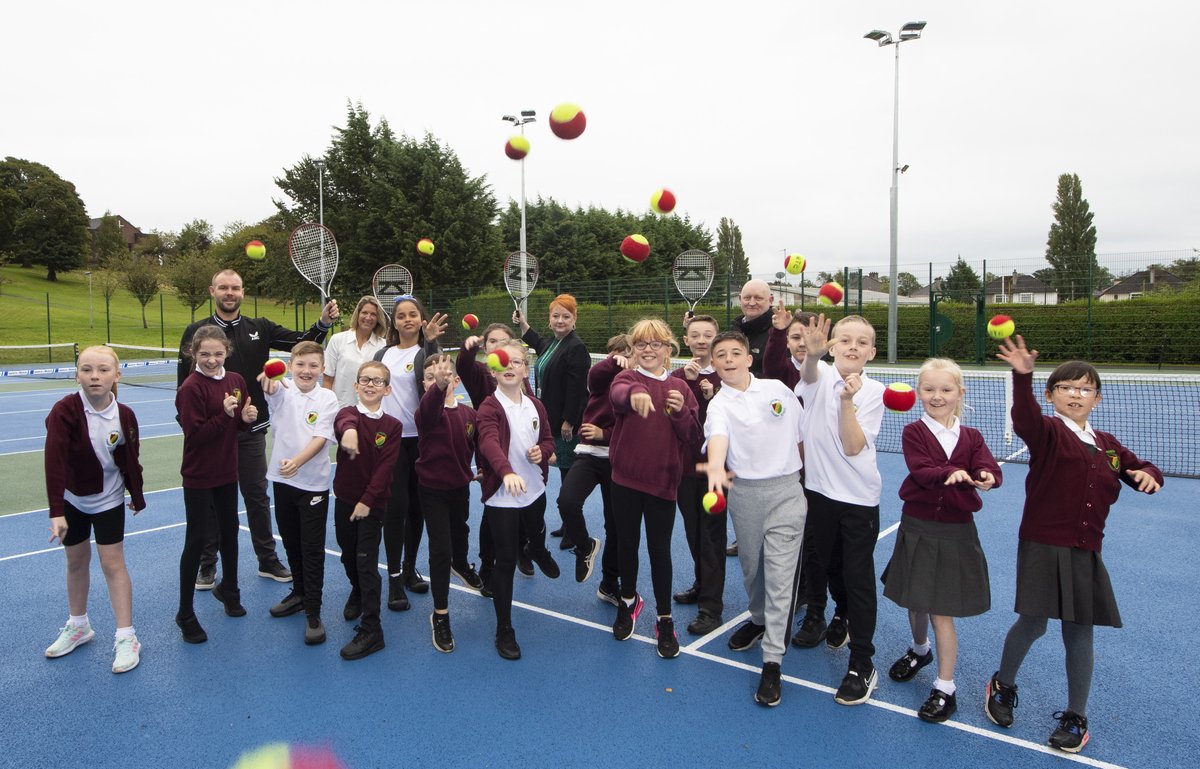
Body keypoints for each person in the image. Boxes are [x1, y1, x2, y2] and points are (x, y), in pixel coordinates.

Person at [985, 337, 1163, 754]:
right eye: (1067, 387)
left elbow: (1139, 467)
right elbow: (1024, 417)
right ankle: (1003, 684)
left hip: (1086, 549)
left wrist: (1151, 474)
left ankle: (1075, 716)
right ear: (1052, 395)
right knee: (1033, 623)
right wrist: (1022, 375)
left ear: (1096, 399)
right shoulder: (1046, 431)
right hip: (1043, 544)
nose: (1076, 394)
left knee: (1079, 634)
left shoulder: (1107, 444)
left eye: (1085, 388)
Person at [177, 269, 338, 587]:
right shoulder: (196, 332)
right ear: (213, 291)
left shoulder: (259, 328)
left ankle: (267, 560)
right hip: (210, 437)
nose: (229, 293)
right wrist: (192, 430)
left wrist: (322, 325)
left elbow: (300, 344)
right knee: (210, 502)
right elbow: (184, 385)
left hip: (250, 430)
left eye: (235, 288)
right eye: (223, 287)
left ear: (242, 291)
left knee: (257, 497)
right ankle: (208, 565)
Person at [881, 358, 1002, 723]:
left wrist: (986, 476)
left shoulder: (973, 437)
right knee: (915, 603)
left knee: (940, 612)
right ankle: (920, 650)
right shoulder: (914, 433)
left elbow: (990, 467)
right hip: (918, 526)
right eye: (930, 389)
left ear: (959, 393)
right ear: (919, 393)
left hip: (956, 531)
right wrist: (954, 472)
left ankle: (945, 687)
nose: (937, 396)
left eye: (946, 390)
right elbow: (922, 469)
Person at [703, 330, 807, 706]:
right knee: (752, 569)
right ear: (713, 365)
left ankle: (772, 662)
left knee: (779, 577)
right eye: (720, 355)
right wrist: (716, 468)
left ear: (749, 358)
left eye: (735, 353)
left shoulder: (778, 389)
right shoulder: (718, 404)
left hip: (786, 493)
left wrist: (802, 479)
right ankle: (758, 618)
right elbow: (717, 440)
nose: (728, 359)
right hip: (744, 495)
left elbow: (801, 437)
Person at [795, 313, 886, 705]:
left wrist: (848, 401)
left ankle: (862, 663)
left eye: (861, 342)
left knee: (858, 577)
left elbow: (852, 446)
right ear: (832, 346)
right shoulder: (819, 377)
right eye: (844, 339)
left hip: (858, 499)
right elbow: (811, 373)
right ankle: (841, 615)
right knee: (826, 567)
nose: (852, 347)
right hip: (818, 493)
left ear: (872, 352)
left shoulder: (875, 391)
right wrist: (813, 357)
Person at [43, 345, 146, 673]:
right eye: (86, 369)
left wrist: (136, 494)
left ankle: (126, 636)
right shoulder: (64, 411)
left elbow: (130, 457)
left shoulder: (125, 415)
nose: (94, 376)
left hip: (109, 500)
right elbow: (54, 460)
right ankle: (79, 626)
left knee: (112, 562)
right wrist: (56, 510)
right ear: (77, 374)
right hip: (74, 500)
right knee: (76, 562)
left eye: (103, 369)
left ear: (117, 375)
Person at [608, 319, 700, 659]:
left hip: (663, 483)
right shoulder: (627, 378)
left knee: (660, 551)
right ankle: (628, 601)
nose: (649, 349)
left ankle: (664, 618)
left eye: (656, 344)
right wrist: (635, 394)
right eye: (642, 344)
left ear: (669, 349)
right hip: (625, 481)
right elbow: (618, 395)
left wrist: (678, 413)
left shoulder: (681, 390)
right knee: (627, 546)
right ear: (633, 349)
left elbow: (693, 435)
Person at [761, 303, 849, 651]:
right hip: (791, 476)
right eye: (795, 336)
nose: (803, 342)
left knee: (827, 549)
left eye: (810, 336)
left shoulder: (828, 374)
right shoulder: (779, 372)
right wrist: (777, 331)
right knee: (803, 546)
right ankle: (811, 608)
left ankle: (832, 611)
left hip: (826, 479)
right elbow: (769, 365)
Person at [175, 326, 258, 643]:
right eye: (205, 354)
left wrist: (245, 419)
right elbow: (195, 436)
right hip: (198, 475)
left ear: (227, 353)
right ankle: (185, 613)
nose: (211, 360)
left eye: (217, 354)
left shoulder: (235, 380)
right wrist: (226, 417)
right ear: (193, 354)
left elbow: (236, 426)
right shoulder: (190, 388)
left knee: (230, 532)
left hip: (227, 471)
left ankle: (231, 591)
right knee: (196, 540)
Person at [476, 340, 559, 660]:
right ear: (493, 369)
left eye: (517, 362)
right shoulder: (489, 407)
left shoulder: (536, 406)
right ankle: (504, 629)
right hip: (502, 496)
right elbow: (489, 443)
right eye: (502, 362)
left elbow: (548, 439)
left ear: (526, 368)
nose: (510, 366)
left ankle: (537, 550)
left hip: (534, 489)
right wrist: (506, 472)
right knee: (505, 560)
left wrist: (545, 451)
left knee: (536, 532)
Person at [257, 341, 339, 645]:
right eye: (301, 364)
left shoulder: (328, 398)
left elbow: (321, 438)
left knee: (312, 548)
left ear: (321, 370)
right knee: (291, 542)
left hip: (313, 484)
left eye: (313, 365)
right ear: (291, 366)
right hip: (282, 481)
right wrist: (269, 379)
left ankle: (314, 612)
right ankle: (300, 594)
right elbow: (272, 387)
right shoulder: (283, 391)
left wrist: (297, 462)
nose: (307, 370)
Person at [373, 295, 448, 611]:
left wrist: (431, 345)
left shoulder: (428, 350)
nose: (407, 319)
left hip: (422, 439)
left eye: (412, 314)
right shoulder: (383, 354)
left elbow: (437, 381)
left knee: (417, 508)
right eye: (400, 315)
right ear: (393, 321)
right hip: (390, 441)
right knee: (396, 508)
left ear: (421, 319)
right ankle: (393, 579)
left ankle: (409, 568)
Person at [333, 361, 404, 661]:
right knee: (348, 554)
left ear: (387, 389)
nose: (371, 385)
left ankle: (372, 629)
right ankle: (358, 591)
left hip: (372, 506)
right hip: (345, 501)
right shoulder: (347, 414)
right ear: (356, 385)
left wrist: (368, 500)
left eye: (378, 381)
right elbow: (343, 424)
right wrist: (348, 433)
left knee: (366, 561)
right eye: (366, 380)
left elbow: (386, 468)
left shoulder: (392, 426)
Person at [457, 323, 535, 589]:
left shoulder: (520, 375)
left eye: (504, 341)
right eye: (492, 342)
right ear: (485, 348)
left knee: (525, 502)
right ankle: (488, 566)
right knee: (494, 510)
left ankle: (522, 548)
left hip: (522, 452)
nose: (498, 346)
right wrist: (468, 350)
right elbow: (463, 366)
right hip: (491, 451)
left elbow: (534, 409)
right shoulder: (481, 374)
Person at [555, 334, 632, 594]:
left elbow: (633, 427)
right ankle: (585, 546)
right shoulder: (603, 379)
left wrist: (605, 435)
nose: (624, 357)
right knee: (566, 501)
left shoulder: (639, 384)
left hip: (618, 459)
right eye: (619, 353)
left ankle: (609, 583)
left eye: (628, 353)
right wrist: (613, 361)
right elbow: (593, 376)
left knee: (616, 526)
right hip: (588, 455)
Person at [416, 354, 480, 653]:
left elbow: (481, 443)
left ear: (456, 380)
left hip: (461, 488)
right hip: (432, 490)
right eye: (429, 377)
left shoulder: (469, 414)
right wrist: (437, 388)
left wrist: (486, 469)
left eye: (442, 376)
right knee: (440, 550)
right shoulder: (426, 412)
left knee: (461, 534)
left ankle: (462, 562)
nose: (436, 379)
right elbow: (430, 405)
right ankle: (440, 613)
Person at [515, 294, 590, 548]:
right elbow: (538, 342)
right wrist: (523, 325)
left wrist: (569, 421)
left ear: (574, 319)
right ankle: (567, 524)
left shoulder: (575, 347)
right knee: (564, 476)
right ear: (549, 319)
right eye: (556, 316)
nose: (560, 320)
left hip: (565, 424)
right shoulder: (554, 343)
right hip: (551, 419)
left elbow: (578, 389)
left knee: (570, 479)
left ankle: (574, 532)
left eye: (566, 316)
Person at [669, 315, 727, 635]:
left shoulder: (727, 377)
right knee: (693, 533)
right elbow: (677, 423)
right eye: (696, 335)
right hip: (685, 470)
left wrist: (711, 396)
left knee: (711, 537)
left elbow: (721, 423)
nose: (702, 339)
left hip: (716, 471)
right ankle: (702, 584)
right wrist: (686, 382)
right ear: (687, 339)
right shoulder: (677, 377)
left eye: (708, 334)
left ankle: (711, 608)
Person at [723, 278, 775, 558]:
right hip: (736, 420)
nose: (752, 302)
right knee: (739, 485)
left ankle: (769, 537)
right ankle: (746, 537)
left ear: (770, 301)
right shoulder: (734, 330)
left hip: (769, 423)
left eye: (758, 298)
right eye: (747, 297)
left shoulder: (777, 332)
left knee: (764, 486)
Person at [323, 296, 388, 407]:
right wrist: (327, 407)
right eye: (364, 312)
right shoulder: (337, 340)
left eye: (373, 314)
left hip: (371, 411)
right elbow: (328, 379)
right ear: (358, 314)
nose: (368, 317)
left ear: (378, 319)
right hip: (340, 409)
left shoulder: (383, 345)